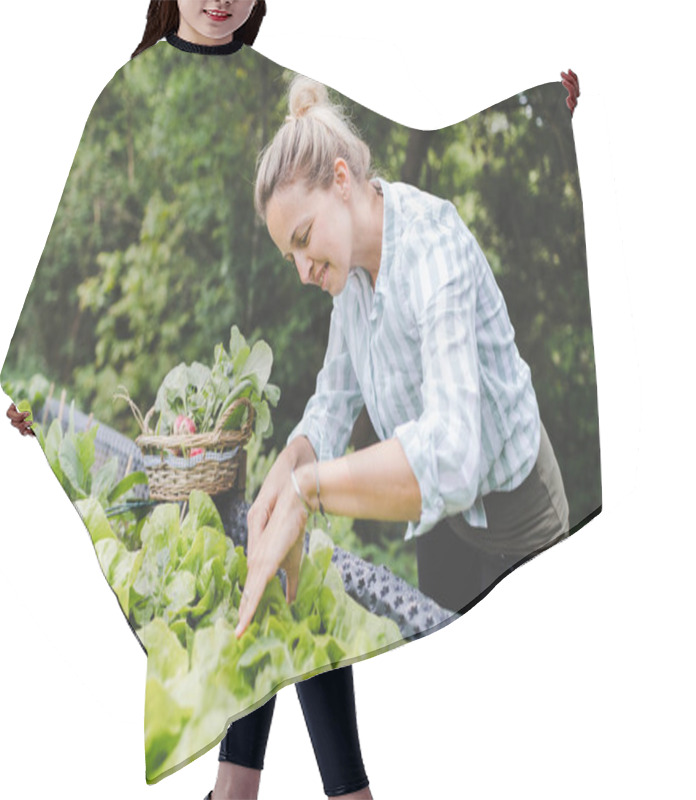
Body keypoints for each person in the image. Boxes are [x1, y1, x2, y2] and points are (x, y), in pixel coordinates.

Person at [7, 3, 373, 799]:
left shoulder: (282, 91)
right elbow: (73, 256)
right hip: (183, 427)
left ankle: (258, 792)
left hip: (281, 408)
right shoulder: (131, 85)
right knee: (255, 584)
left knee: (289, 579)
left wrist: (547, 115)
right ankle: (297, 792)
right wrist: (36, 389)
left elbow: (368, 179)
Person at [235, 76, 570, 642]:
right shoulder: (348, 279)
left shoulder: (433, 250)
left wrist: (309, 492)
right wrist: (288, 468)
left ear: (342, 179)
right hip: (442, 520)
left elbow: (455, 459)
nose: (302, 270)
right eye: (290, 253)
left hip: (519, 521)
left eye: (304, 237)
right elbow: (333, 400)